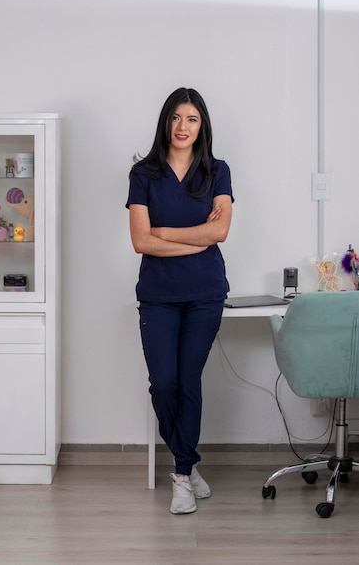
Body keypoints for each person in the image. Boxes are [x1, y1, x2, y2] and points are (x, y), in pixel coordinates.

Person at [126, 87, 233, 515]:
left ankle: (183, 476)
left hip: (205, 293)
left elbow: (220, 233)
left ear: (201, 124)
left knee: (189, 382)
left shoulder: (217, 171)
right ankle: (187, 457)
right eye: (175, 118)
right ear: (165, 123)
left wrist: (163, 233)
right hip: (158, 296)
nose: (182, 126)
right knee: (163, 384)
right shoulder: (143, 174)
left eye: (191, 118)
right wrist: (196, 238)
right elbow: (139, 240)